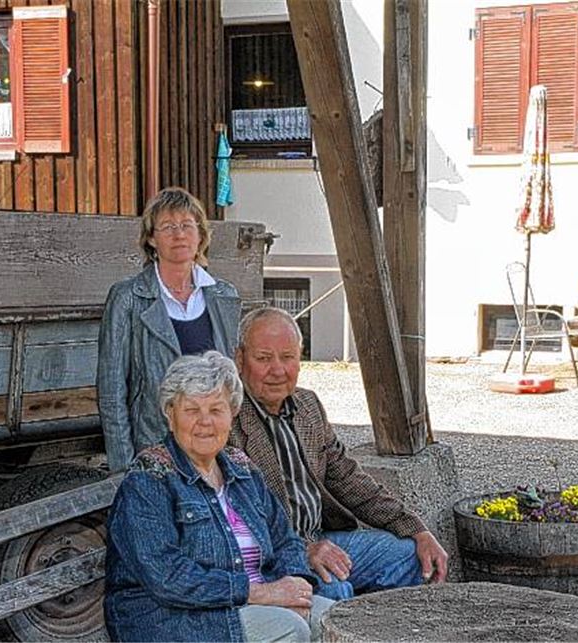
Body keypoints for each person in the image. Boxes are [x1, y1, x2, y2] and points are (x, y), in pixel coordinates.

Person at [104, 352, 334, 642]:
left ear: (232, 414)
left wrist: (295, 585)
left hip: (254, 601)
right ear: (170, 414)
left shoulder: (242, 470)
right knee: (289, 629)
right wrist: (259, 593)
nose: (205, 422)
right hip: (173, 618)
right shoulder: (149, 480)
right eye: (191, 410)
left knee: (335, 620)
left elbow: (284, 539)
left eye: (216, 410)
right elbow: (168, 578)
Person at [229, 307, 449, 600]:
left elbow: (347, 478)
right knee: (335, 589)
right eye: (263, 358)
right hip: (269, 555)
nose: (278, 370)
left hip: (322, 536)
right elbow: (238, 515)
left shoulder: (307, 405)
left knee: (411, 557)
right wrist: (303, 549)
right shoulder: (226, 418)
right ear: (239, 359)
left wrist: (417, 529)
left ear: (300, 358)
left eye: (288, 357)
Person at [97, 187, 241, 472]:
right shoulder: (128, 298)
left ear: (200, 235)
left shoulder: (224, 295)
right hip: (154, 447)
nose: (179, 234)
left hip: (212, 446)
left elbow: (232, 382)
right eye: (168, 227)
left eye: (188, 225)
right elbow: (112, 391)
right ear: (151, 239)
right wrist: (125, 468)